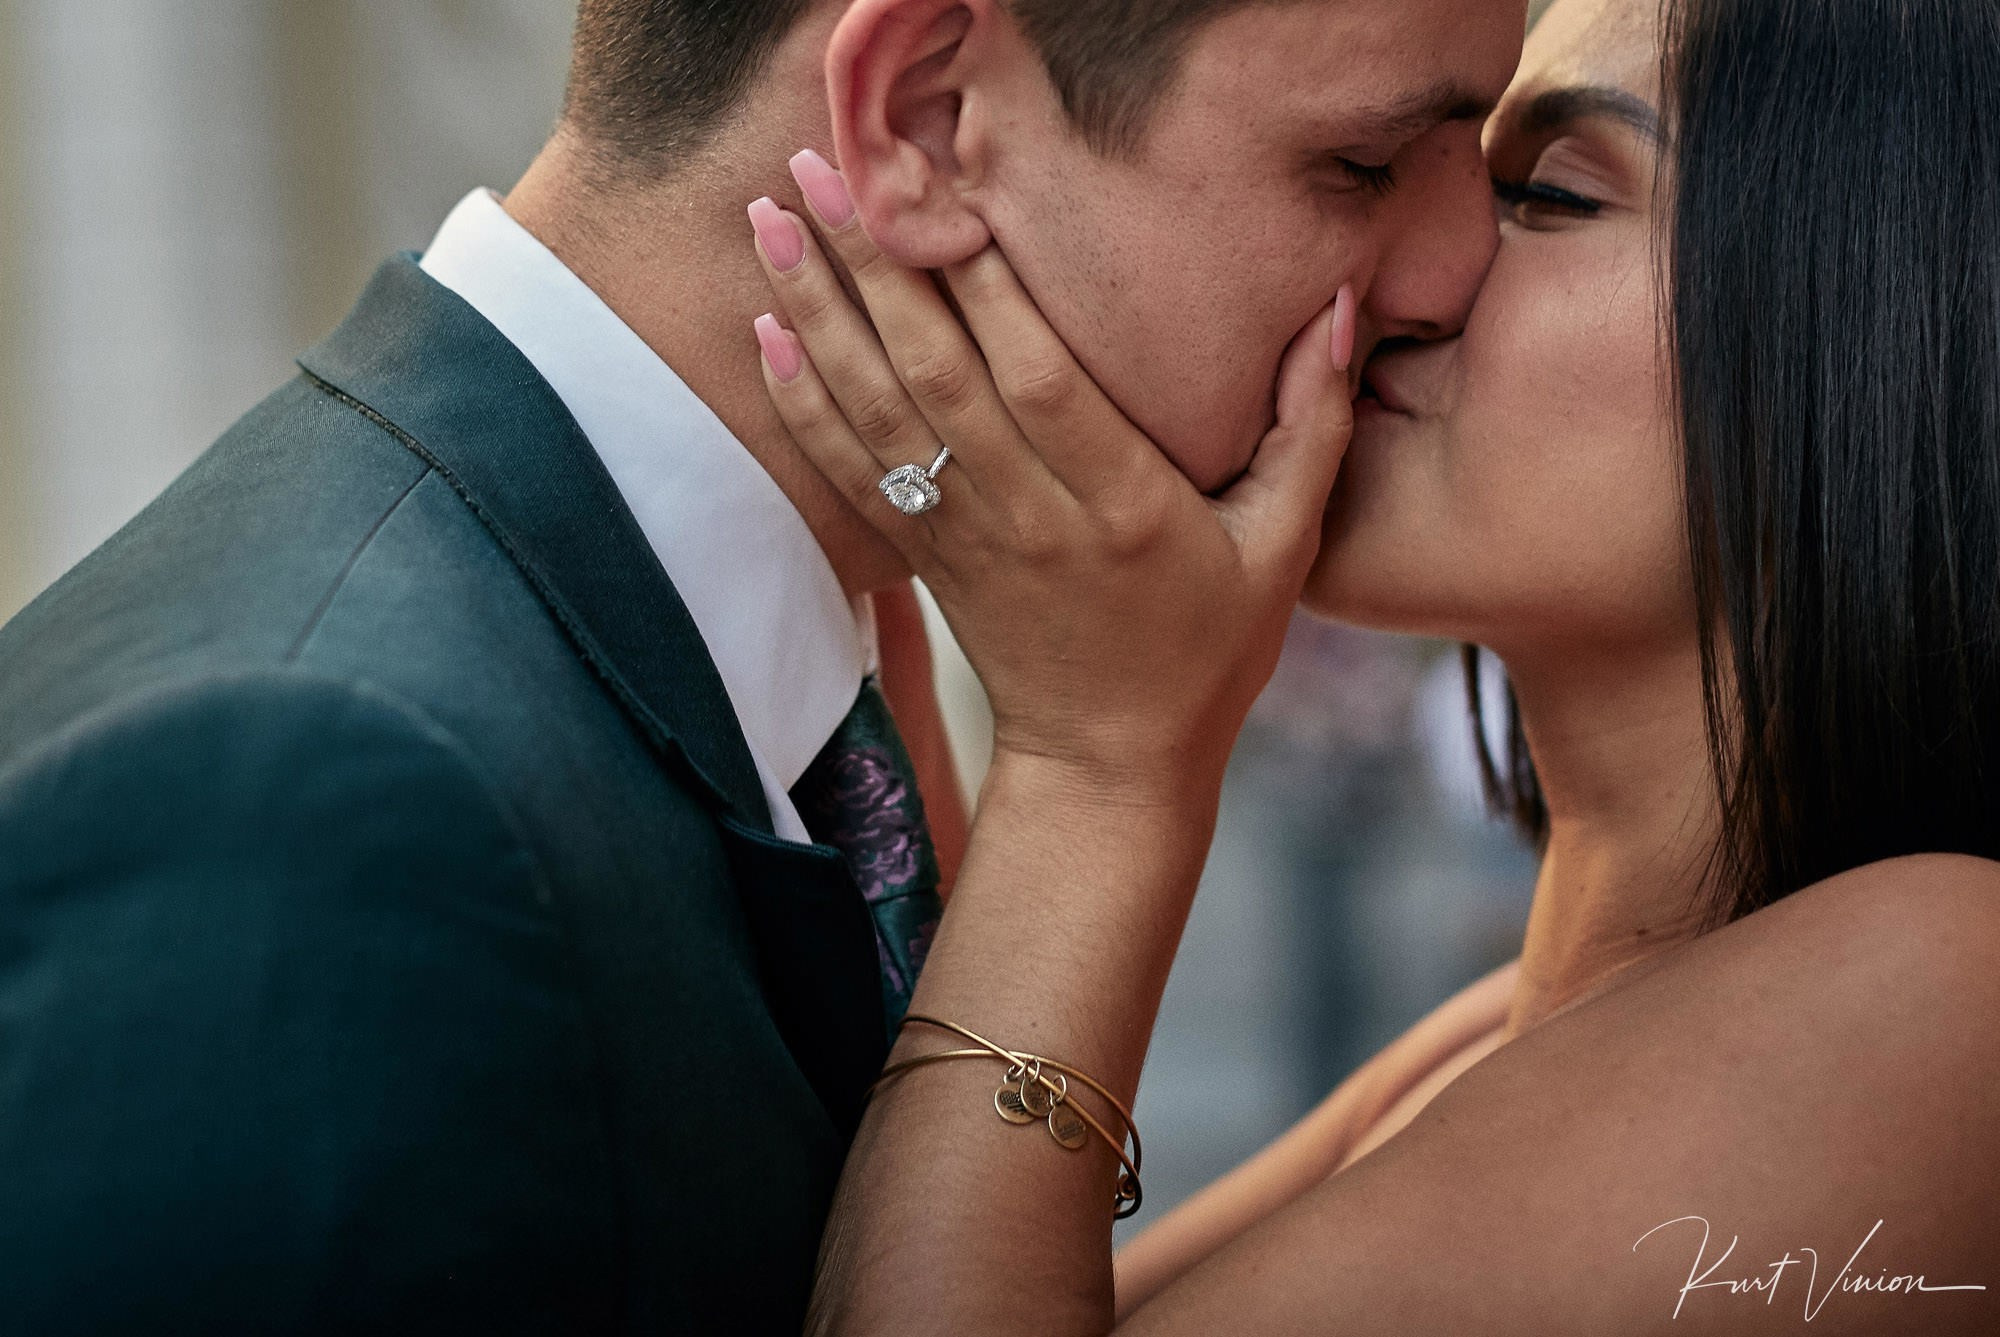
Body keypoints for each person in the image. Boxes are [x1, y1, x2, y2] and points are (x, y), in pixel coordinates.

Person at [0, 0, 1522, 1333]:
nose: (1461, 271)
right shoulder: (306, 814)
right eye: (1365, 166)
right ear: (924, 115)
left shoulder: (781, 680)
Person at [747, 0, 2000, 1330]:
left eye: (1550, 196)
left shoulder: (1946, 997)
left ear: (1880, 329)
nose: (1425, 265)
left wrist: (1100, 769)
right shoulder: (1491, 1031)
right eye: (1382, 164)